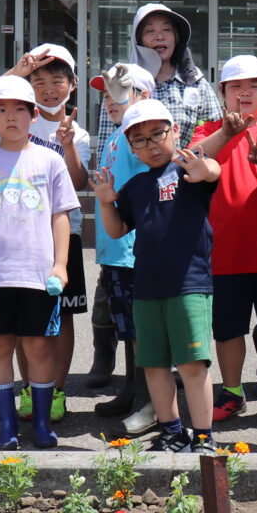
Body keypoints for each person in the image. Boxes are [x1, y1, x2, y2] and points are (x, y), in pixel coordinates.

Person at [0, 74, 78, 451]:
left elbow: (61, 216)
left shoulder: (50, 159)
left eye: (19, 110)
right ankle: (6, 425)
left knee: (40, 347)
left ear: (34, 115)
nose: (10, 117)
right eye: (1, 110)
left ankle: (41, 424)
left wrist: (61, 265)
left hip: (39, 274)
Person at [92, 99, 223, 452]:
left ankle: (204, 436)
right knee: (152, 365)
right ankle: (171, 430)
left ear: (175, 131)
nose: (150, 145)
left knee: (193, 364)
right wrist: (106, 201)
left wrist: (203, 169)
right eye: (140, 140)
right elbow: (118, 230)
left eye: (157, 134)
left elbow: (212, 170)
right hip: (146, 287)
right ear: (130, 147)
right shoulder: (135, 186)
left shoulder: (188, 170)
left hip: (189, 284)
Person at [188, 55, 257, 426]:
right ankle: (232, 392)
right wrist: (227, 133)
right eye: (236, 87)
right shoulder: (207, 130)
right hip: (223, 252)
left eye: (253, 87)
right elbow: (192, 163)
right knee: (228, 330)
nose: (245, 94)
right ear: (222, 93)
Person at [5, 43, 90, 424]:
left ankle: (56, 389)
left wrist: (68, 145)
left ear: (72, 84)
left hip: (63, 236)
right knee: (26, 318)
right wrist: (15, 72)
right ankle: (29, 388)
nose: (49, 88)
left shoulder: (80, 132)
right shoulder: (18, 118)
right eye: (38, 80)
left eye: (58, 79)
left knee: (63, 317)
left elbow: (77, 183)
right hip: (22, 234)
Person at [84, 60, 158, 432]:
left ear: (142, 96)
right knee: (127, 328)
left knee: (142, 330)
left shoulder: (135, 138)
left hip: (134, 252)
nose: (109, 102)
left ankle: (149, 401)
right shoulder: (115, 136)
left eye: (118, 94)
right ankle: (131, 389)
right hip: (115, 252)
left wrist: (136, 113)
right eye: (105, 97)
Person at [135, 1, 220, 139]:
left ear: (176, 38)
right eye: (150, 31)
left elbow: (216, 134)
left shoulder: (197, 84)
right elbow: (109, 145)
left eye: (167, 30)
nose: (160, 36)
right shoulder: (126, 85)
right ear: (138, 41)